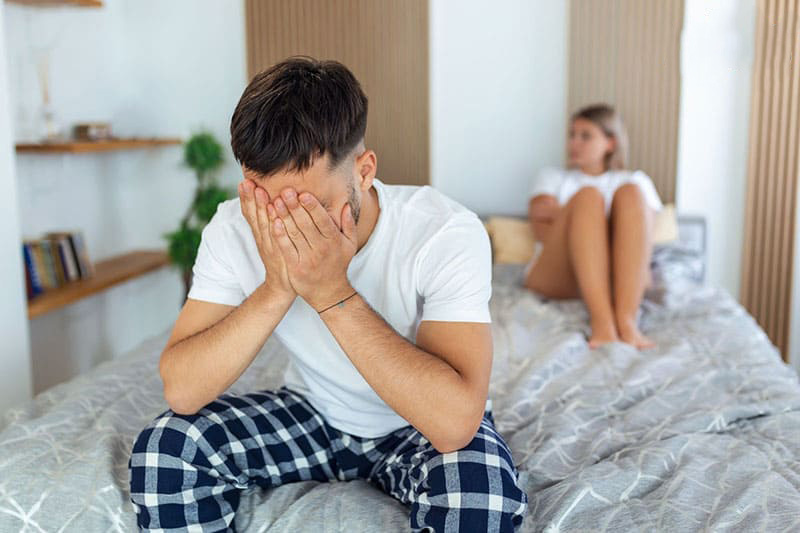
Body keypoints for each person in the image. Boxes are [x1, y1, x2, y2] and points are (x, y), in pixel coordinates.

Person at [128, 57, 527, 532]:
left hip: (417, 424)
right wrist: (277, 288)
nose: (288, 225)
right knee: (166, 451)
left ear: (364, 171)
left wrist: (332, 294)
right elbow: (182, 389)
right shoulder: (233, 227)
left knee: (481, 498)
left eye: (309, 205)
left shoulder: (445, 231)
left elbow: (454, 424)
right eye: (268, 203)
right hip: (312, 413)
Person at [524, 104, 663, 349]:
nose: (574, 143)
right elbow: (541, 227)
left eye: (585, 136)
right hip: (560, 273)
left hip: (621, 277)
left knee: (630, 193)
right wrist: (591, 216)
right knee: (588, 197)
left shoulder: (635, 181)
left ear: (610, 143)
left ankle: (626, 321)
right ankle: (602, 323)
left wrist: (581, 223)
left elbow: (643, 240)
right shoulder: (553, 178)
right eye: (572, 135)